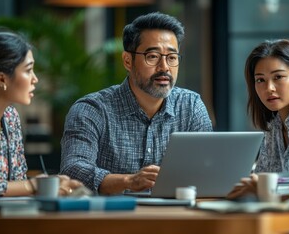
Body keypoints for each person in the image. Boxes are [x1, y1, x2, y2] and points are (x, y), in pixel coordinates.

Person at [60, 12, 213, 195]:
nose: (164, 67)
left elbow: (208, 167)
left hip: (176, 216)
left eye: (171, 57)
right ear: (127, 61)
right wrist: (128, 181)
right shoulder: (91, 110)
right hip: (111, 218)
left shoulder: (191, 106)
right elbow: (73, 169)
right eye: (153, 56)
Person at [0, 31, 82, 197]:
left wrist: (50, 183)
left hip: (9, 217)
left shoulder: (10, 117)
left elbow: (18, 179)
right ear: (2, 79)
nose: (35, 79)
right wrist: (34, 185)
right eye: (28, 70)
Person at [226, 40, 289, 199]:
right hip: (285, 219)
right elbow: (260, 180)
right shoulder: (273, 129)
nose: (269, 88)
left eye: (278, 77)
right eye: (260, 80)